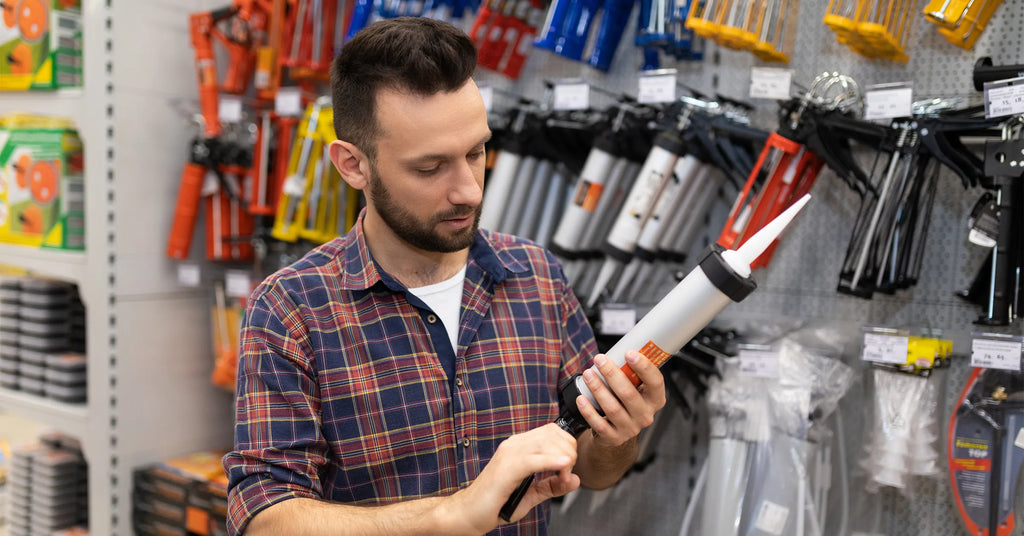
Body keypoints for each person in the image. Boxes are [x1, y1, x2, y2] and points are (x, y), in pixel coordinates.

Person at [223, 16, 666, 536]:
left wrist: (617, 435)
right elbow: (265, 519)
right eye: (430, 168)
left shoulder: (537, 278)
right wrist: (454, 514)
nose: (470, 192)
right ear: (352, 165)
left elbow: (594, 471)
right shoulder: (291, 308)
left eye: (477, 152)